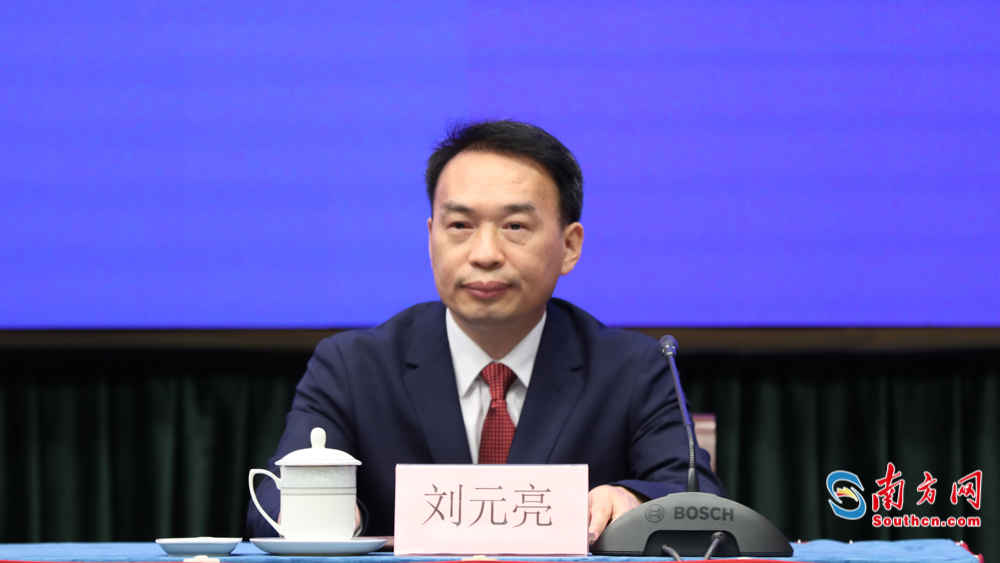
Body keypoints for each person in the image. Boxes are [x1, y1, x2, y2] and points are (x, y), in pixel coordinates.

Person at [247, 120, 724, 541]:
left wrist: (631, 500)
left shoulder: (632, 368)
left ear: (569, 247)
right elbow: (273, 502)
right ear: (431, 238)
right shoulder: (352, 367)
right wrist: (319, 516)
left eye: (515, 226)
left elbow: (699, 500)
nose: (485, 254)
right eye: (460, 225)